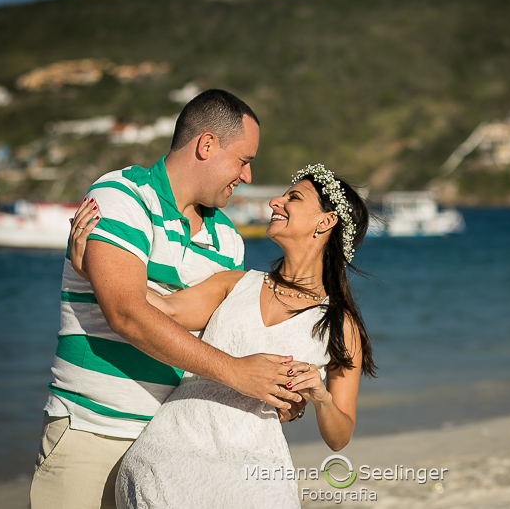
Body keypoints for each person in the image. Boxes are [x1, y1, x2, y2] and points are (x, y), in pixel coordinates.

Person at [30, 89, 304, 509]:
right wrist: (236, 372)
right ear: (207, 145)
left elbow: (213, 338)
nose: (247, 176)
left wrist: (277, 389)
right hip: (93, 430)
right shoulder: (121, 197)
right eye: (243, 160)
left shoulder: (228, 239)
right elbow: (127, 314)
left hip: (175, 447)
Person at [70, 163, 377, 508]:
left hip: (254, 471)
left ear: (326, 221)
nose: (275, 202)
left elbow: (339, 438)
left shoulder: (341, 326)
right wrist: (95, 271)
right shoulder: (235, 282)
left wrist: (321, 397)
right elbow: (163, 310)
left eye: (293, 197)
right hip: (169, 455)